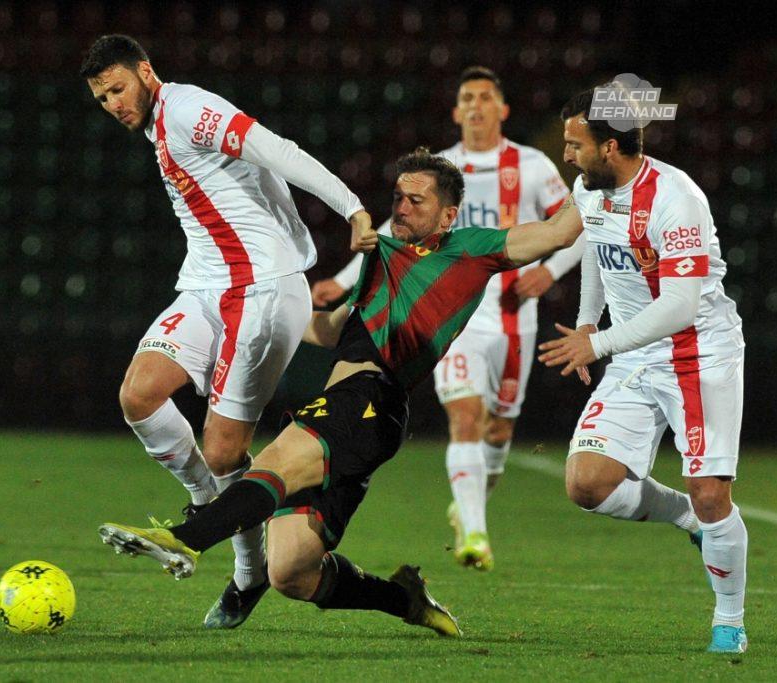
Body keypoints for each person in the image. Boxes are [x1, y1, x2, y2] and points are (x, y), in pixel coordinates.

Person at [98, 149, 584, 636]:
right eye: (398, 197)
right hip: (355, 413)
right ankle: (403, 599)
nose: (402, 207)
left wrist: (603, 177)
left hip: (371, 400)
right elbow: (331, 328)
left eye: (417, 200)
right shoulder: (381, 258)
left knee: (275, 463)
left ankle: (185, 538)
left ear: (449, 213)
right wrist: (254, 316)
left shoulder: (471, 249)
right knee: (290, 572)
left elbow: (558, 232)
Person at [80, 34, 377, 629]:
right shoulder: (156, 125)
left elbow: (275, 149)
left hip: (262, 288)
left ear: (146, 70)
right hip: (209, 285)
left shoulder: (187, 108)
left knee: (222, 449)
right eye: (101, 96)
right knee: (139, 395)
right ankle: (203, 505)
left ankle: (247, 573)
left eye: (118, 88)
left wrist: (353, 209)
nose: (113, 103)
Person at [312, 67, 583, 571]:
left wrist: (549, 272)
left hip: (512, 315)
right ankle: (476, 537)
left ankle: (470, 506)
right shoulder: (440, 169)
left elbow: (576, 224)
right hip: (451, 316)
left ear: (502, 110)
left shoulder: (531, 164)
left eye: (486, 97)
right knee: (464, 419)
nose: (476, 105)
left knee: (498, 431)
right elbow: (396, 232)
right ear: (457, 111)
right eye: (467, 98)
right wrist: (347, 281)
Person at [537, 87, 748, 654]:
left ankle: (729, 620)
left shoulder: (677, 198)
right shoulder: (591, 188)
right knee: (587, 484)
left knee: (710, 492)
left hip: (696, 350)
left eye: (575, 144)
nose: (567, 156)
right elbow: (598, 254)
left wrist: (597, 345)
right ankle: (687, 520)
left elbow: (679, 305)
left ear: (610, 146)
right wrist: (586, 324)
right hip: (632, 351)